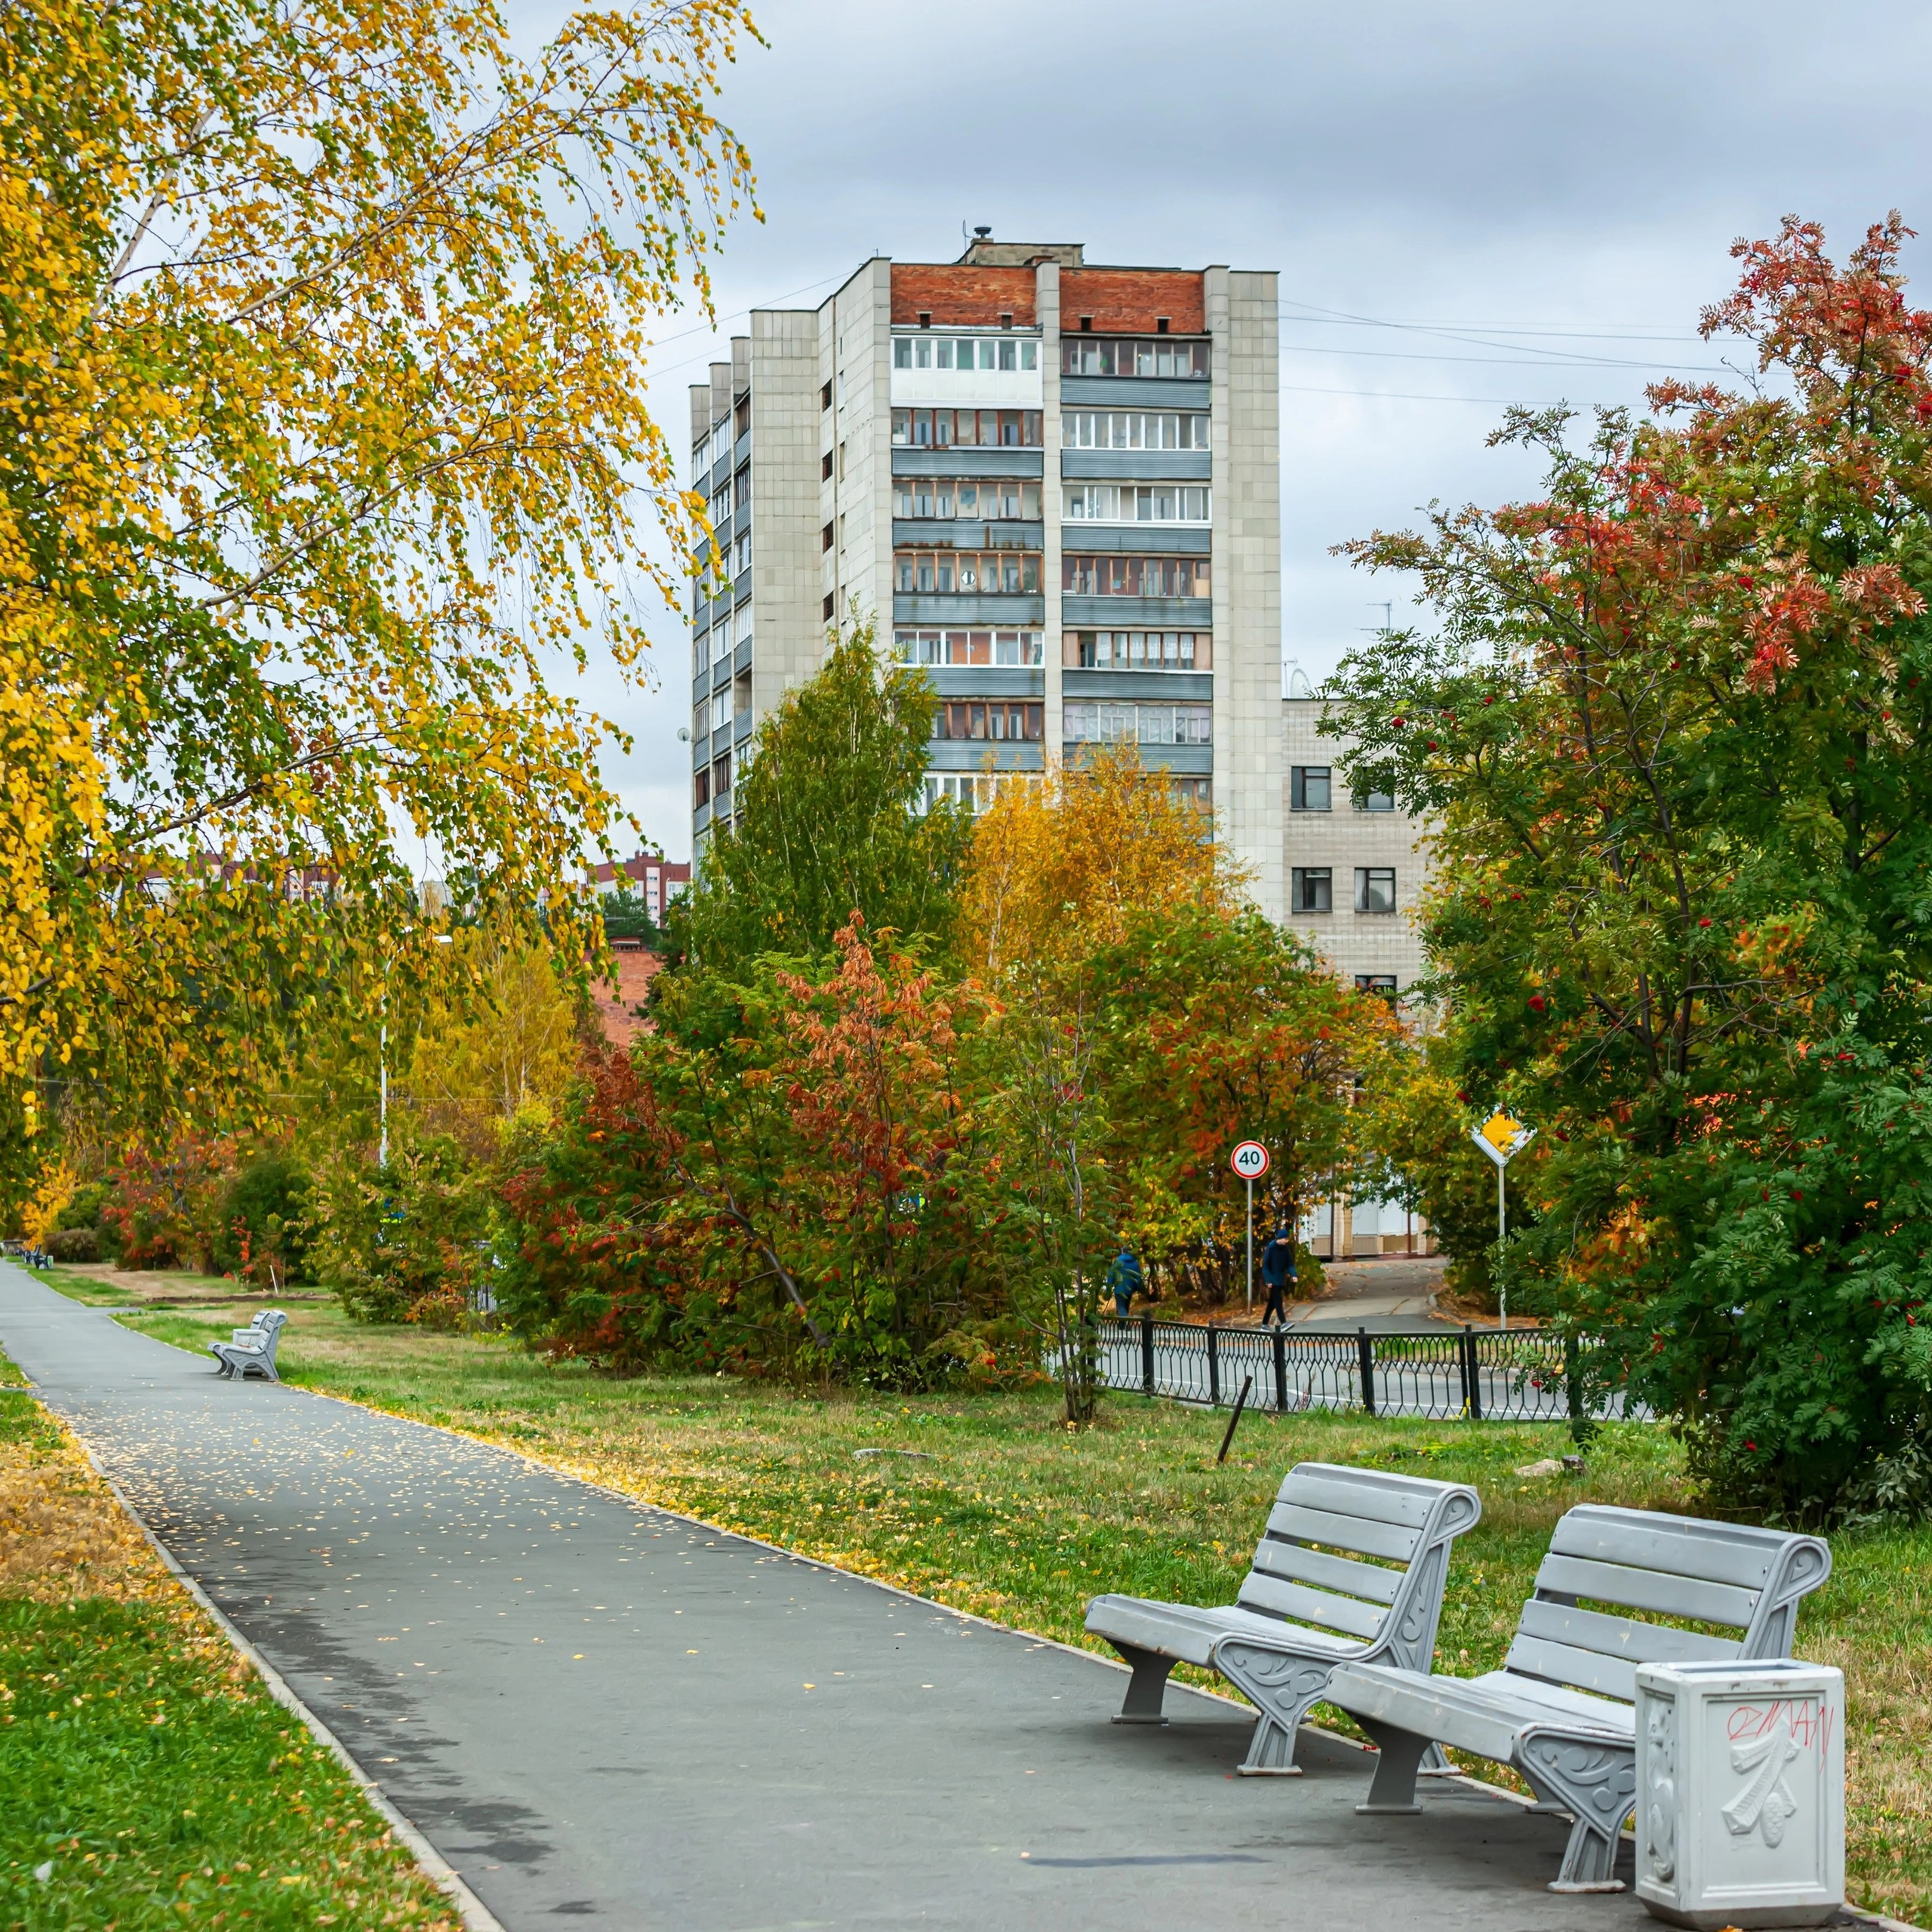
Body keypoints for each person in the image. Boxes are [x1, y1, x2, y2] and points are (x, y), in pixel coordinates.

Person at [1259, 1226, 1298, 1327]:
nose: (1286, 1241)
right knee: (1278, 1301)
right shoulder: (1271, 1248)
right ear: (1280, 1238)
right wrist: (1269, 1280)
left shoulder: (1285, 1250)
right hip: (1273, 1279)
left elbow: (1289, 1264)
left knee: (1272, 1303)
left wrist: (1293, 1274)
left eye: (1287, 1239)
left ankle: (1264, 1324)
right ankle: (1283, 1322)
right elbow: (1266, 1266)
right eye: (1285, 1239)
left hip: (1280, 1279)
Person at [1106, 1247, 1143, 1318]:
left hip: (1120, 1289)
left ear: (1123, 1252)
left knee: (1121, 1307)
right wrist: (1138, 1288)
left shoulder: (1118, 1261)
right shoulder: (1135, 1262)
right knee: (1125, 1308)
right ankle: (1122, 1327)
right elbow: (1138, 1277)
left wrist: (1108, 1289)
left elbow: (1111, 1274)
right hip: (1130, 1289)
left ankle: (1127, 1320)